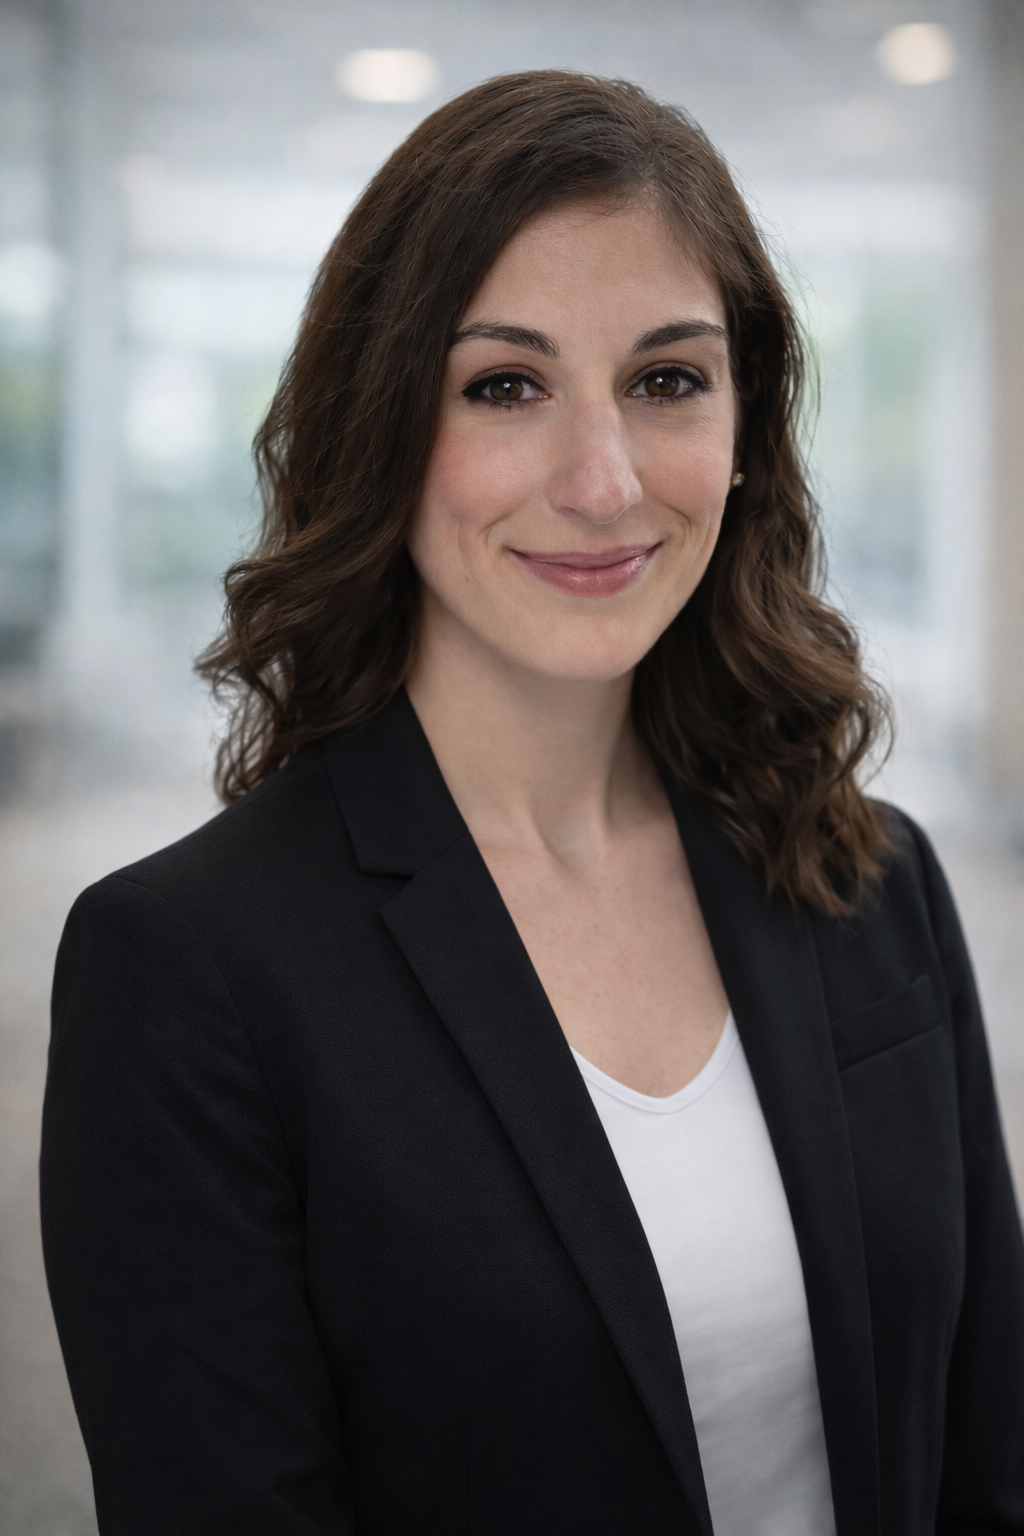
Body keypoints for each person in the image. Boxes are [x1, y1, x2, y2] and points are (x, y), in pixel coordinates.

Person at [41, 71, 1023, 1536]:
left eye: (667, 378)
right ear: (379, 428)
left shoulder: (871, 877)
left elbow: (987, 1456)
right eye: (505, 385)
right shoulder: (187, 972)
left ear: (745, 424)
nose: (603, 477)